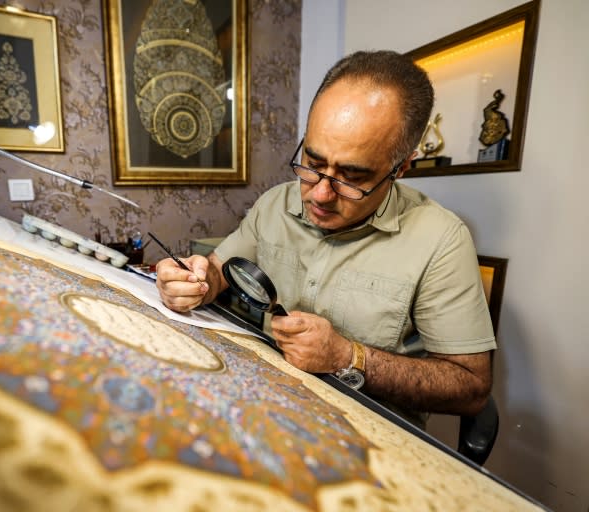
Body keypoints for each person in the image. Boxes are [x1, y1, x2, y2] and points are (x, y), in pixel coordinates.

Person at [155, 50, 496, 428]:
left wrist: (349, 358)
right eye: (314, 164)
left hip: (362, 435)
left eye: (351, 177)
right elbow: (218, 271)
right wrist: (193, 282)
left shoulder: (441, 241)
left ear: (400, 168)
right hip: (260, 404)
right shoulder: (275, 204)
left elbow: (471, 386)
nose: (319, 195)